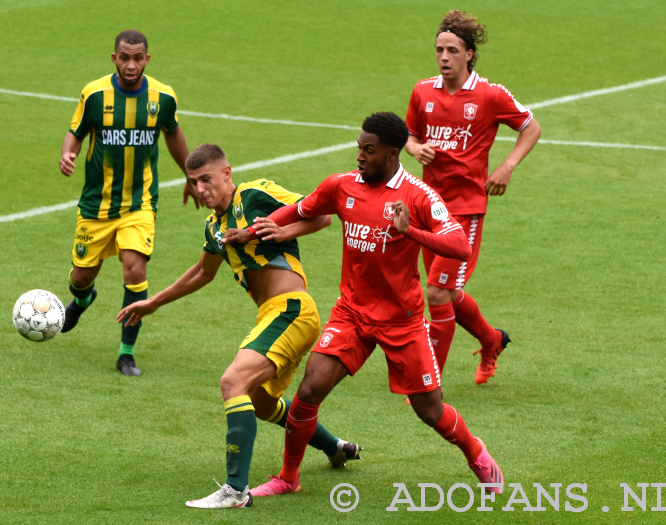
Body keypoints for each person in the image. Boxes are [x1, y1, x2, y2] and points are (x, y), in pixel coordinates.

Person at [226, 112, 504, 496]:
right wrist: (256, 229)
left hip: (402, 321)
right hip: (352, 314)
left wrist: (412, 231)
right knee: (310, 391)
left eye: (368, 150)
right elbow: (302, 209)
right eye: (359, 147)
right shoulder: (341, 186)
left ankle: (475, 451)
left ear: (392, 154)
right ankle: (288, 478)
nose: (359, 156)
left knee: (430, 410)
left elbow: (459, 245)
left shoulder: (417, 195)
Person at [117, 144, 361, 509]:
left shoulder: (254, 195)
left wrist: (275, 232)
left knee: (233, 382)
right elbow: (202, 272)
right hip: (273, 316)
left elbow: (323, 215)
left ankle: (235, 491)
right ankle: (336, 448)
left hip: (291, 309)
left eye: (206, 179)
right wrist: (153, 302)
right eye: (194, 182)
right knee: (261, 403)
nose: (200, 189)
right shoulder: (214, 224)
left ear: (227, 173)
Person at [404, 10, 541, 383]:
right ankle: (491, 340)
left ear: (469, 54)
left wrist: (507, 166)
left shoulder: (490, 95)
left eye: (452, 50)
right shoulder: (423, 91)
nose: (444, 57)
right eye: (438, 50)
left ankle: (428, 381)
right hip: (428, 207)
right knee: (443, 290)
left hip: (465, 210)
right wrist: (414, 149)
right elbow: (409, 135)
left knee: (436, 293)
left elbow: (531, 127)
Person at [58, 29, 199, 376]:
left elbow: (173, 133)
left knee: (135, 269)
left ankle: (126, 352)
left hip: (139, 204)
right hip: (96, 205)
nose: (131, 64)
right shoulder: (94, 94)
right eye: (125, 57)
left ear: (147, 60)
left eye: (138, 58)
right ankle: (82, 299)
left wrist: (190, 176)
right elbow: (75, 133)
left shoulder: (162, 98)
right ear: (114, 58)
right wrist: (68, 153)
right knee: (81, 276)